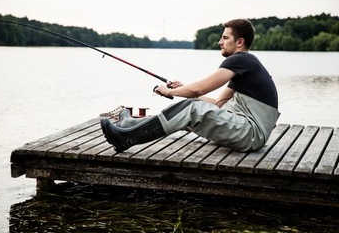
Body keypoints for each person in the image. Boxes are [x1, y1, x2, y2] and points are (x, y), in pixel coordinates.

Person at [101, 19, 280, 153]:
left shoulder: (241, 59)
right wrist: (184, 90)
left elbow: (200, 89)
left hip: (251, 134)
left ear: (239, 42)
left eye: (225, 38)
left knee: (192, 109)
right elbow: (218, 104)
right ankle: (130, 124)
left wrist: (171, 91)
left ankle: (127, 138)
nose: (220, 42)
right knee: (188, 110)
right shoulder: (245, 67)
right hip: (250, 134)